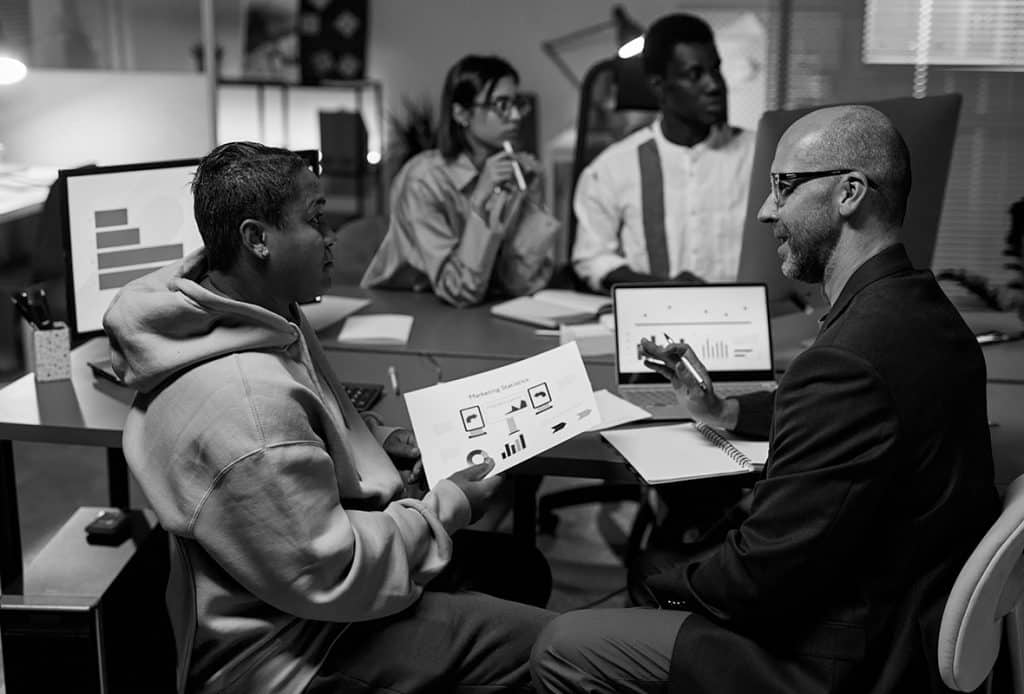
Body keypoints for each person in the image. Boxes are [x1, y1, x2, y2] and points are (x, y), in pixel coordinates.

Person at [530, 105, 999, 693]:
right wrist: (724, 412)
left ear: (850, 192)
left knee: (563, 643)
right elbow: (863, 410)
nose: (765, 210)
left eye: (783, 186)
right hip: (908, 623)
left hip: (836, 662)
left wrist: (662, 587)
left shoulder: (846, 359)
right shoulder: (925, 316)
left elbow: (759, 577)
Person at [103, 142, 553, 694]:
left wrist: (386, 442)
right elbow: (333, 572)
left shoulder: (257, 309)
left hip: (309, 583)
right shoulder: (248, 404)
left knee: (520, 568)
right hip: (297, 650)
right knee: (556, 648)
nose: (332, 235)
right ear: (256, 238)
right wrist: (450, 504)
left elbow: (313, 425)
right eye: (316, 219)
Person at [571, 13, 756, 293]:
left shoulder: (760, 154)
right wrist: (665, 288)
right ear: (658, 85)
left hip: (749, 318)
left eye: (716, 69)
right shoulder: (612, 168)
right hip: (654, 320)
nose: (715, 85)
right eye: (695, 74)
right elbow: (593, 258)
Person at [362, 54, 560, 307]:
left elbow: (518, 283)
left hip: (472, 312)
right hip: (405, 307)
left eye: (516, 103)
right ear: (462, 113)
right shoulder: (424, 180)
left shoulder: (509, 175)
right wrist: (479, 201)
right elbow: (460, 289)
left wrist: (533, 199)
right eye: (501, 104)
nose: (515, 116)